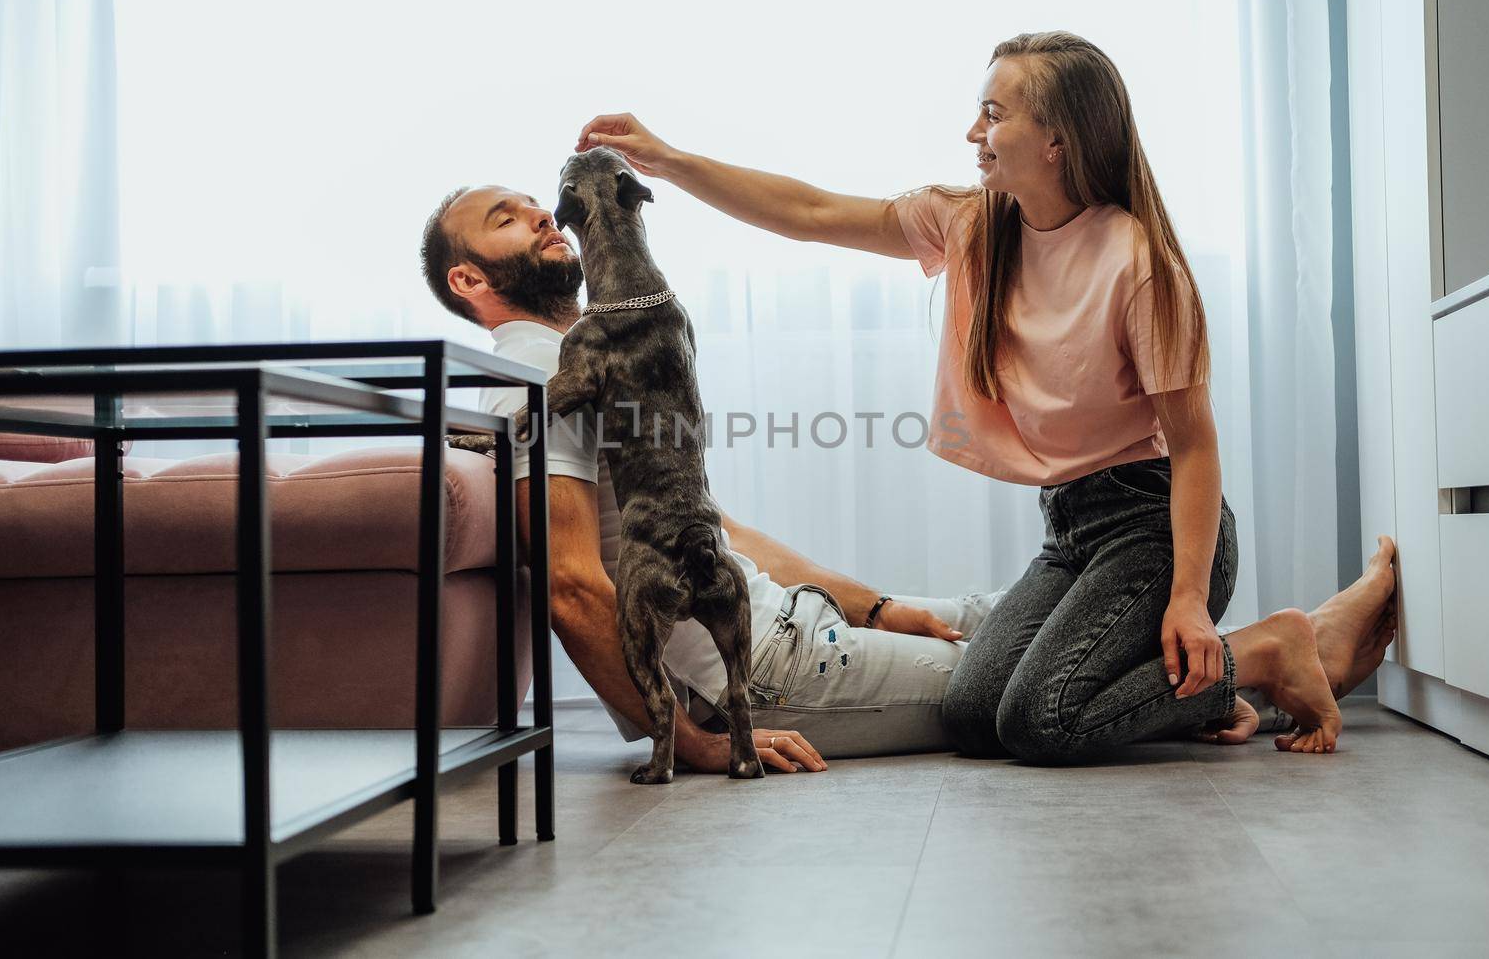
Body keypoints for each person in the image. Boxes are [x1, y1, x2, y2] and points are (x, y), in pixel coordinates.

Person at [416, 149, 1398, 770]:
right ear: (468, 279)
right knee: (1011, 702)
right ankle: (1270, 653)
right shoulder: (525, 386)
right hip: (763, 669)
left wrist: (873, 601)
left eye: (535, 206)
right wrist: (692, 736)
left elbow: (714, 532)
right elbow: (575, 586)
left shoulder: (591, 360)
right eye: (508, 218)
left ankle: (1300, 630)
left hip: (796, 626)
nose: (544, 218)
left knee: (984, 614)